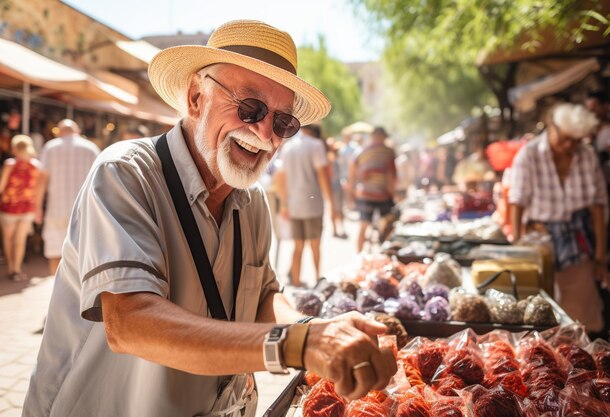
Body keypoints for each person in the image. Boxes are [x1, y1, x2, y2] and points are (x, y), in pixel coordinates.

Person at [23, 20, 397, 417]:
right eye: (250, 107)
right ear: (196, 98)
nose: (264, 132)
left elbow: (263, 298)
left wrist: (314, 330)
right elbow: (130, 321)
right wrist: (299, 344)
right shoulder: (126, 173)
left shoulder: (252, 204)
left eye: (282, 122)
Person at [509, 103, 607, 334]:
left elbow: (598, 207)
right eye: (564, 138)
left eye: (575, 140)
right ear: (552, 127)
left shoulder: (587, 155)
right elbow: (517, 201)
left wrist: (600, 255)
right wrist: (517, 245)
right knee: (541, 308)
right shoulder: (529, 154)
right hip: (540, 239)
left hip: (577, 242)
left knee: (581, 315)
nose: (569, 146)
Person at [37, 119, 100, 275]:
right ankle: (79, 295)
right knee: (83, 254)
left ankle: (55, 288)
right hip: (84, 210)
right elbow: (99, 181)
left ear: (59, 131)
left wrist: (37, 206)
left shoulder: (50, 147)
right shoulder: (91, 148)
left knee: (54, 253)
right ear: (77, 131)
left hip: (56, 209)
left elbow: (42, 180)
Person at [276, 124, 332, 286]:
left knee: (298, 246)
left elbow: (281, 177)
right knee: (315, 245)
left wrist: (284, 204)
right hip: (312, 204)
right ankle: (317, 279)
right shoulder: (316, 145)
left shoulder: (288, 147)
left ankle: (296, 280)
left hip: (294, 204)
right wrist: (331, 202)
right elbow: (322, 175)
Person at [0, 135, 43, 281]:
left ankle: (10, 268)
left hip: (8, 207)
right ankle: (17, 269)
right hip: (27, 208)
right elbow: (38, 190)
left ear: (15, 148)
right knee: (20, 240)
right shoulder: (37, 165)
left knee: (8, 239)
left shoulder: (10, 164)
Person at [348, 126, 397, 252]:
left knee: (363, 226)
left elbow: (352, 174)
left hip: (364, 194)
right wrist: (393, 196)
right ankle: (387, 254)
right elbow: (391, 176)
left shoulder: (361, 151)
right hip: (382, 194)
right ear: (384, 137)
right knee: (388, 226)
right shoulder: (388, 152)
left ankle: (359, 258)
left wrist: (351, 194)